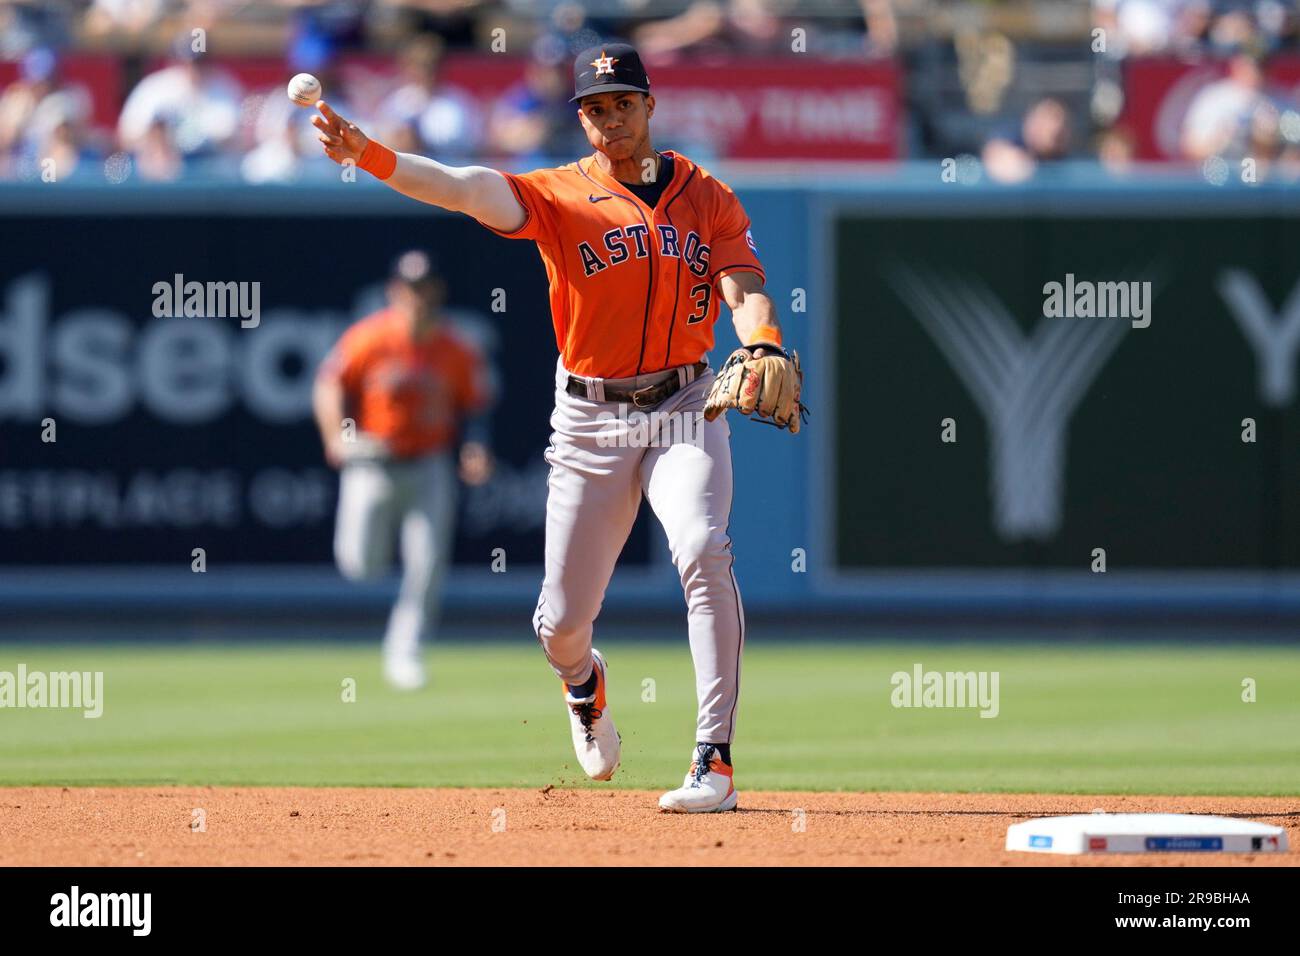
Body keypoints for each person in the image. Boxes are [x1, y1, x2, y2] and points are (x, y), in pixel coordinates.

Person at [311, 41, 801, 812]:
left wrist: (764, 342)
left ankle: (714, 760)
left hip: (684, 405)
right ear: (580, 118)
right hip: (588, 418)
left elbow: (744, 290)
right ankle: (585, 684)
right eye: (594, 109)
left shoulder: (706, 195)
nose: (610, 119)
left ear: (650, 105)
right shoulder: (559, 194)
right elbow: (465, 187)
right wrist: (371, 154)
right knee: (561, 624)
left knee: (705, 549)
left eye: (623, 103)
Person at [313, 250, 494, 690]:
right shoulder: (369, 338)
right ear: (395, 291)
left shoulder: (455, 346)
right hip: (373, 462)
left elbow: (476, 406)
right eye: (411, 287)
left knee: (428, 563)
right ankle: (396, 632)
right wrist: (336, 435)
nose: (419, 296)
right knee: (361, 564)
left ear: (438, 291)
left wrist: (475, 448)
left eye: (426, 286)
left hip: (429, 463)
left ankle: (405, 650)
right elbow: (328, 384)